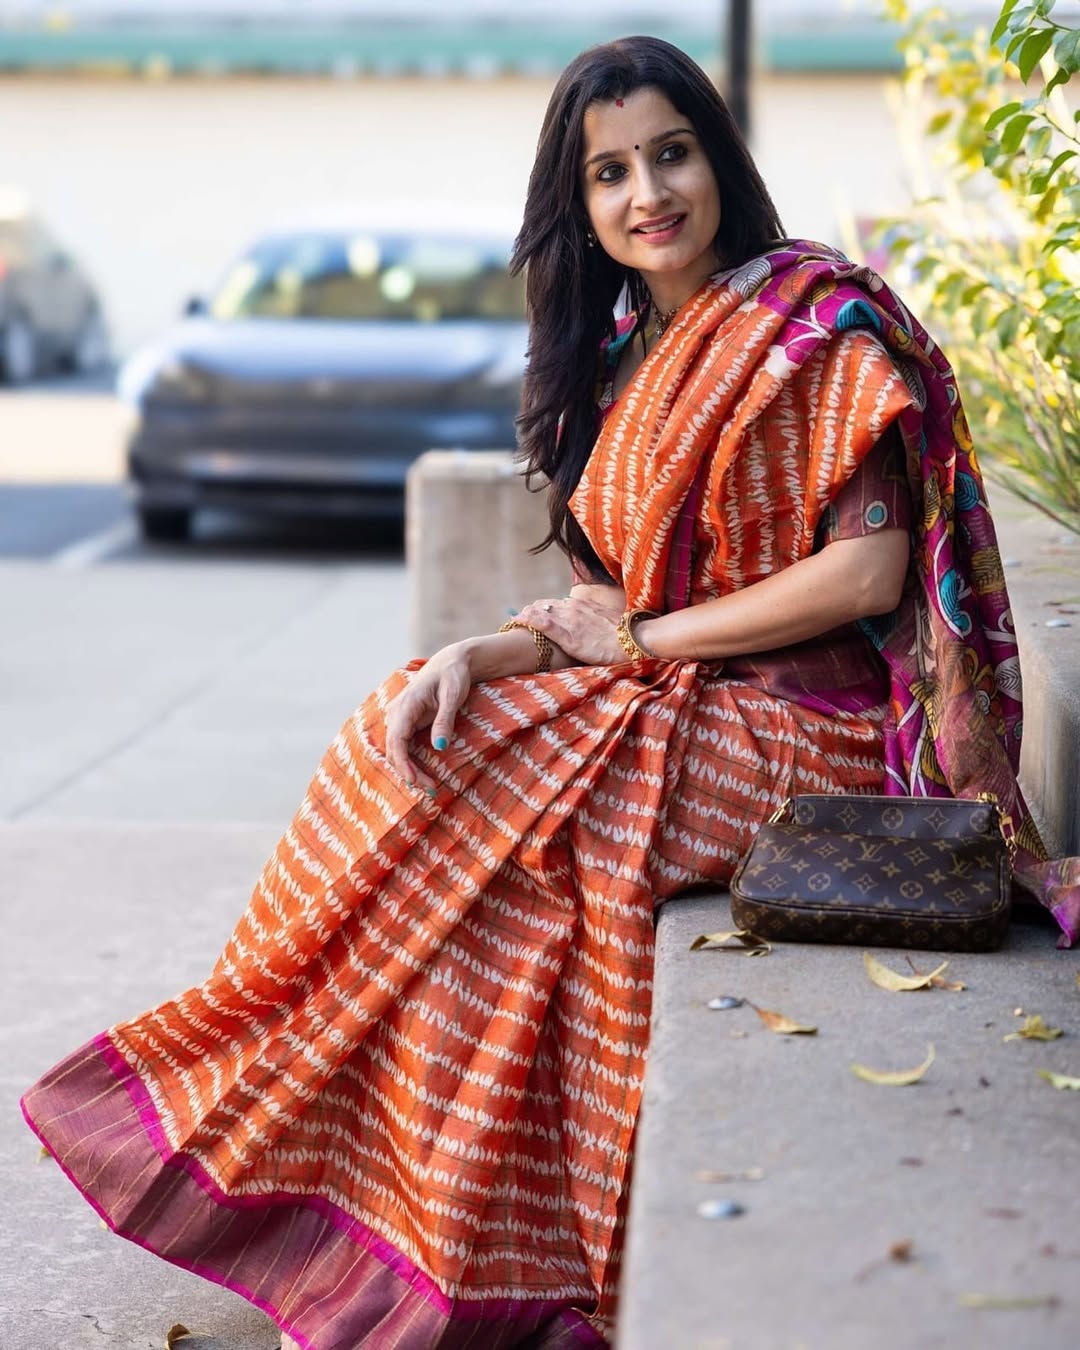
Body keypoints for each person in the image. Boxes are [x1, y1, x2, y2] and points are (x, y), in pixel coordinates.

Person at [21, 34, 1080, 1350]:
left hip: (824, 731)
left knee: (506, 809)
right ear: (578, 204)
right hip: (690, 690)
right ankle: (403, 1214)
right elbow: (596, 620)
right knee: (410, 733)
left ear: (718, 157)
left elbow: (862, 574)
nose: (649, 193)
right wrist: (479, 654)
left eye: (671, 153)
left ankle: (456, 1238)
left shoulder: (813, 324)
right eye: (611, 171)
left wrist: (639, 641)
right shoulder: (629, 353)